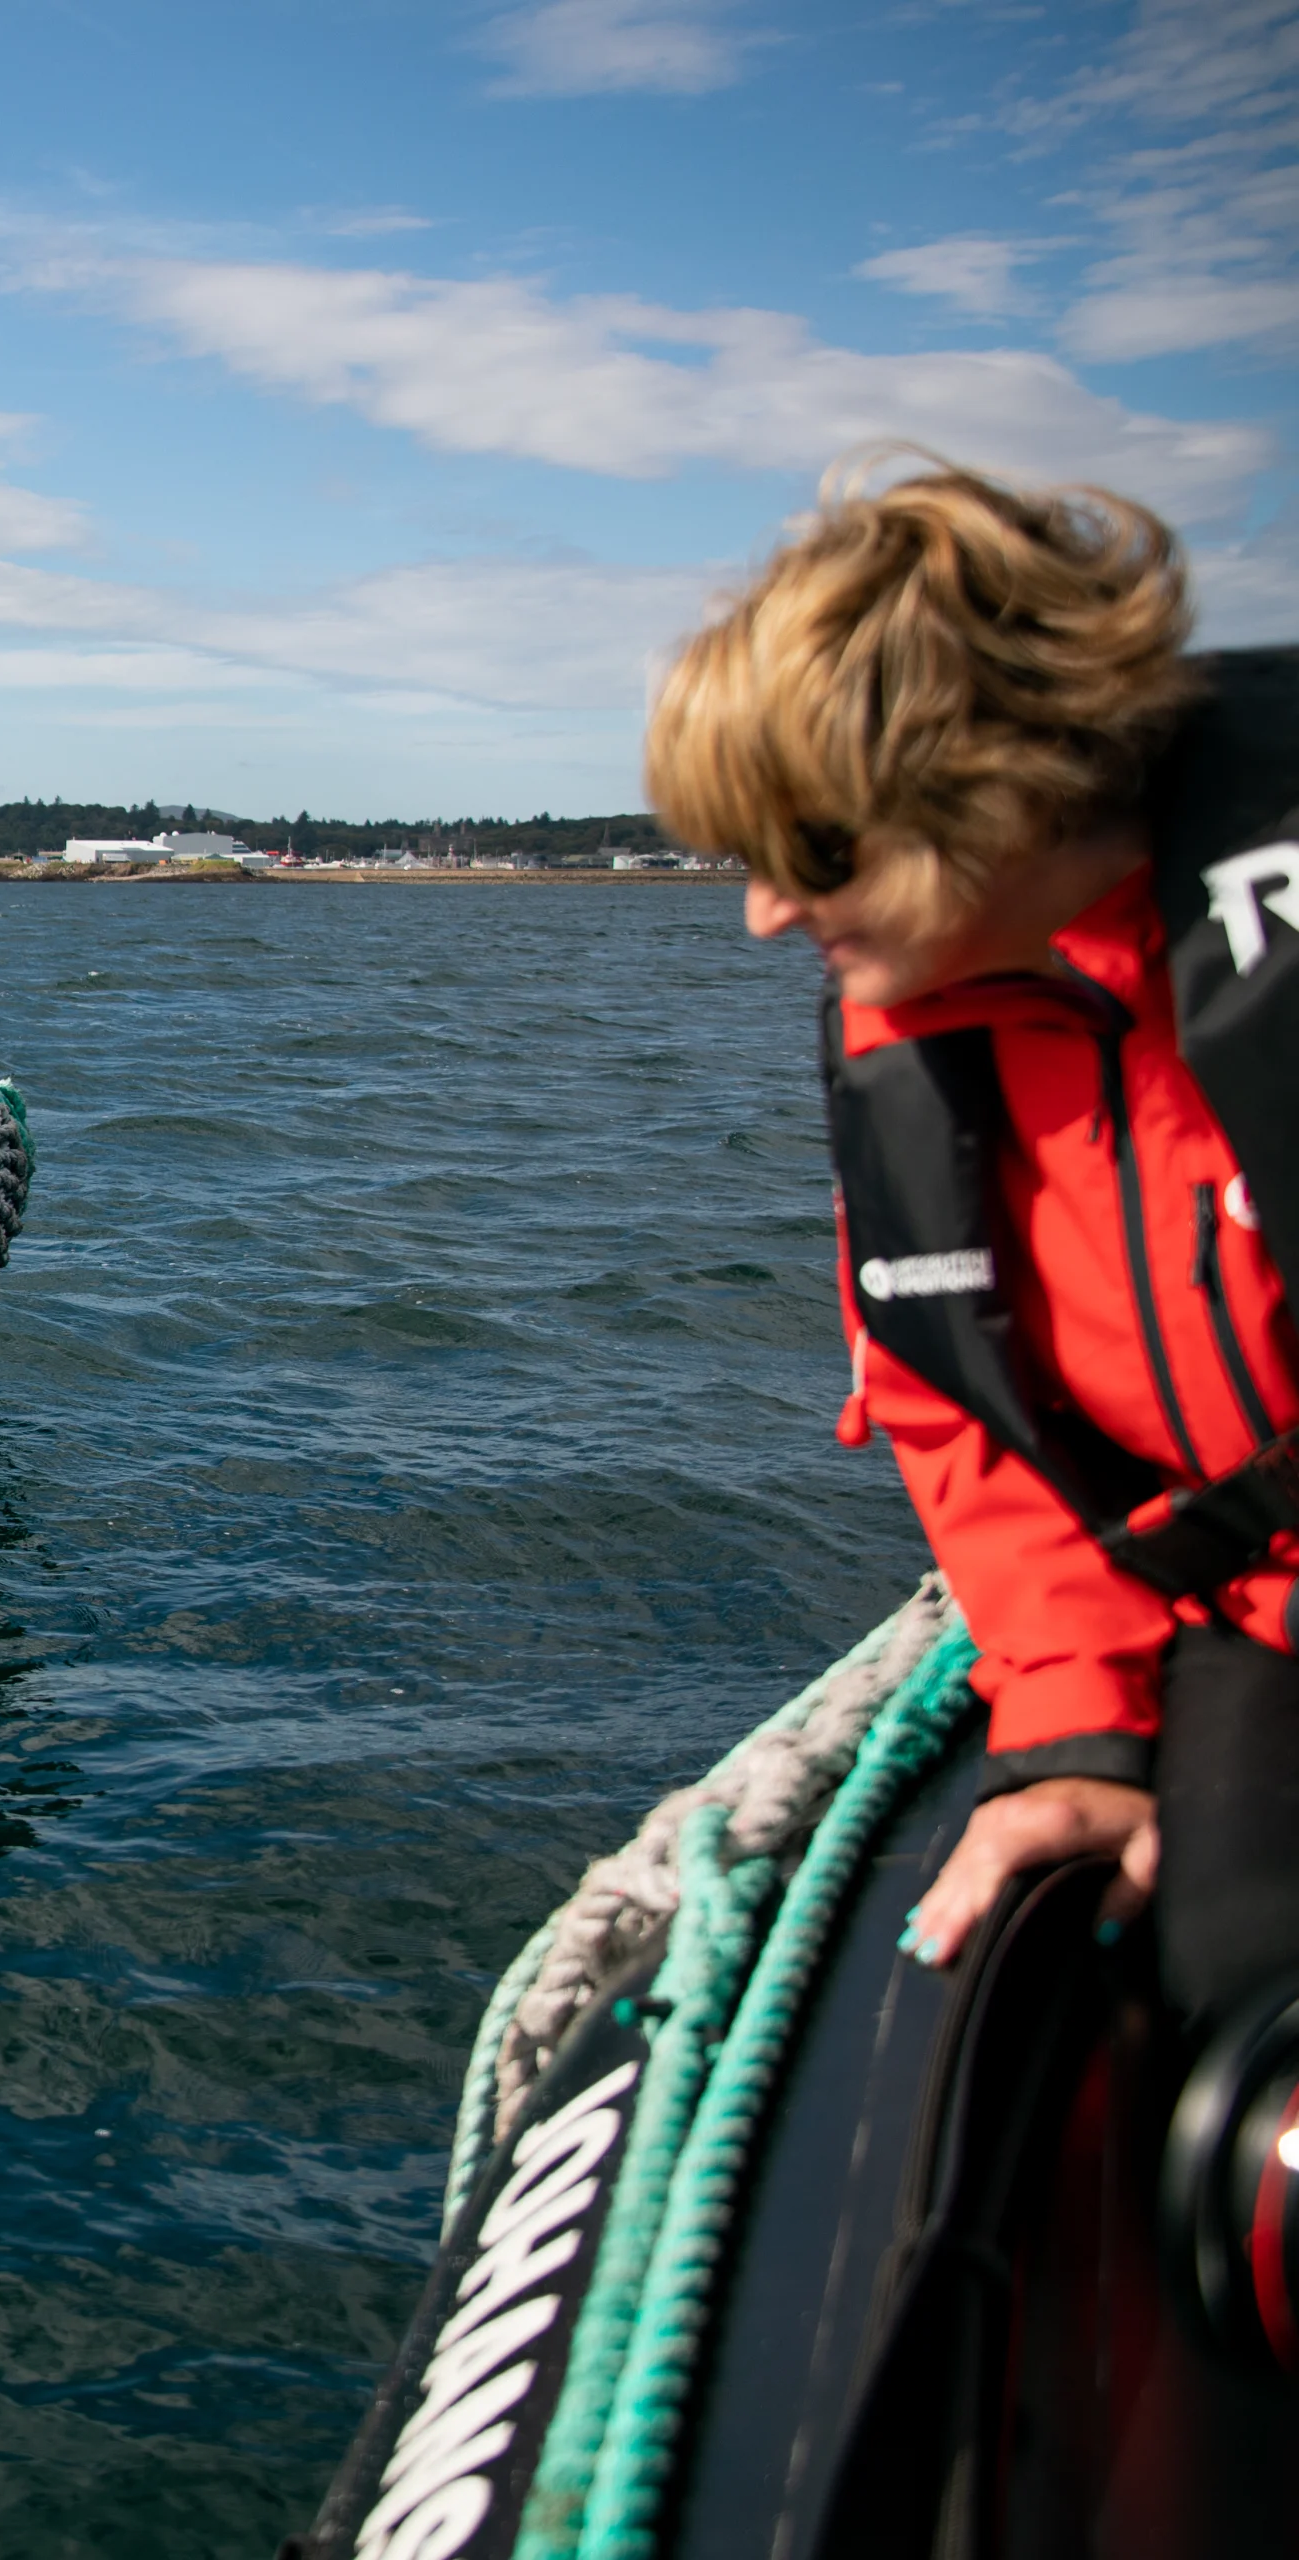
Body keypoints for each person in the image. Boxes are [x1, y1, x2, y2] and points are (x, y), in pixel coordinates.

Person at [644, 456, 1296, 2036]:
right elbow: (962, 1416)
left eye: (812, 851)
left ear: (991, 780)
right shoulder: (918, 1038)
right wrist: (1078, 1726)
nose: (765, 918)